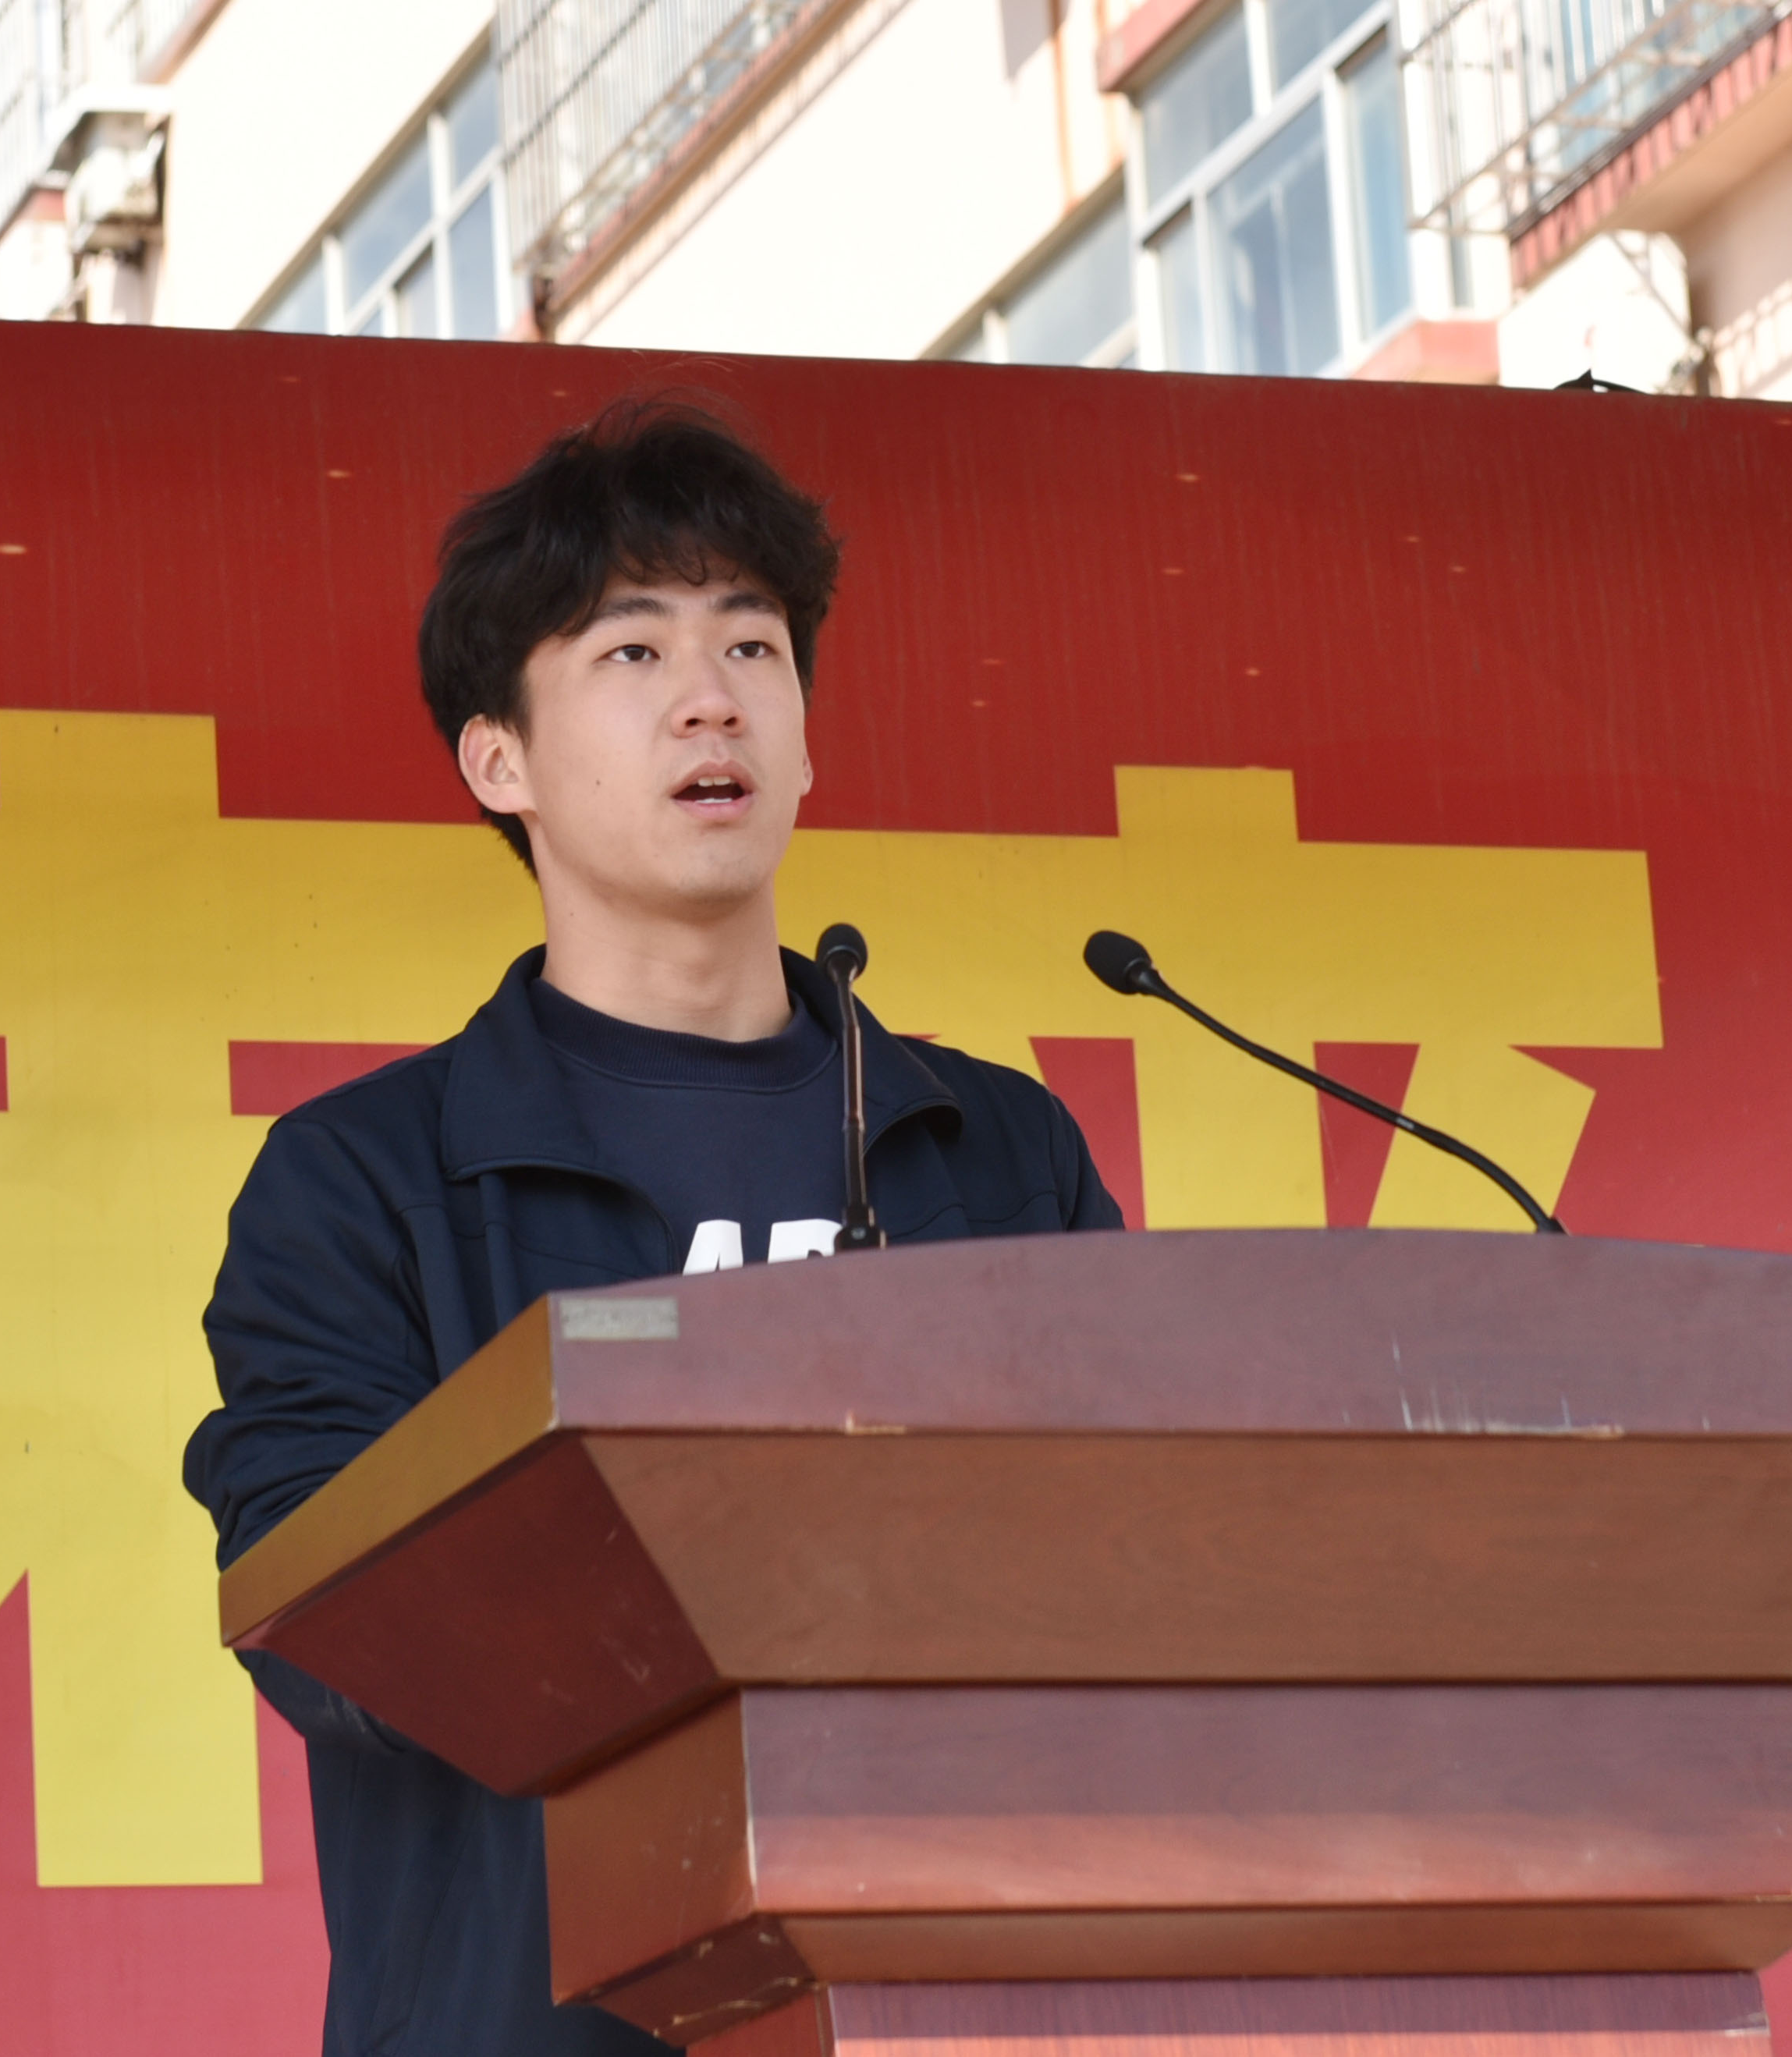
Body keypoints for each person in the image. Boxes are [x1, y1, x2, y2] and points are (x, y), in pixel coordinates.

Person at [182, 399, 1122, 2056]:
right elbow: (338, 1631)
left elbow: (1141, 1554)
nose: (712, 696)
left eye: (753, 645)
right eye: (633, 651)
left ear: (805, 738)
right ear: (499, 760)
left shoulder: (995, 1152)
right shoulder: (362, 1183)